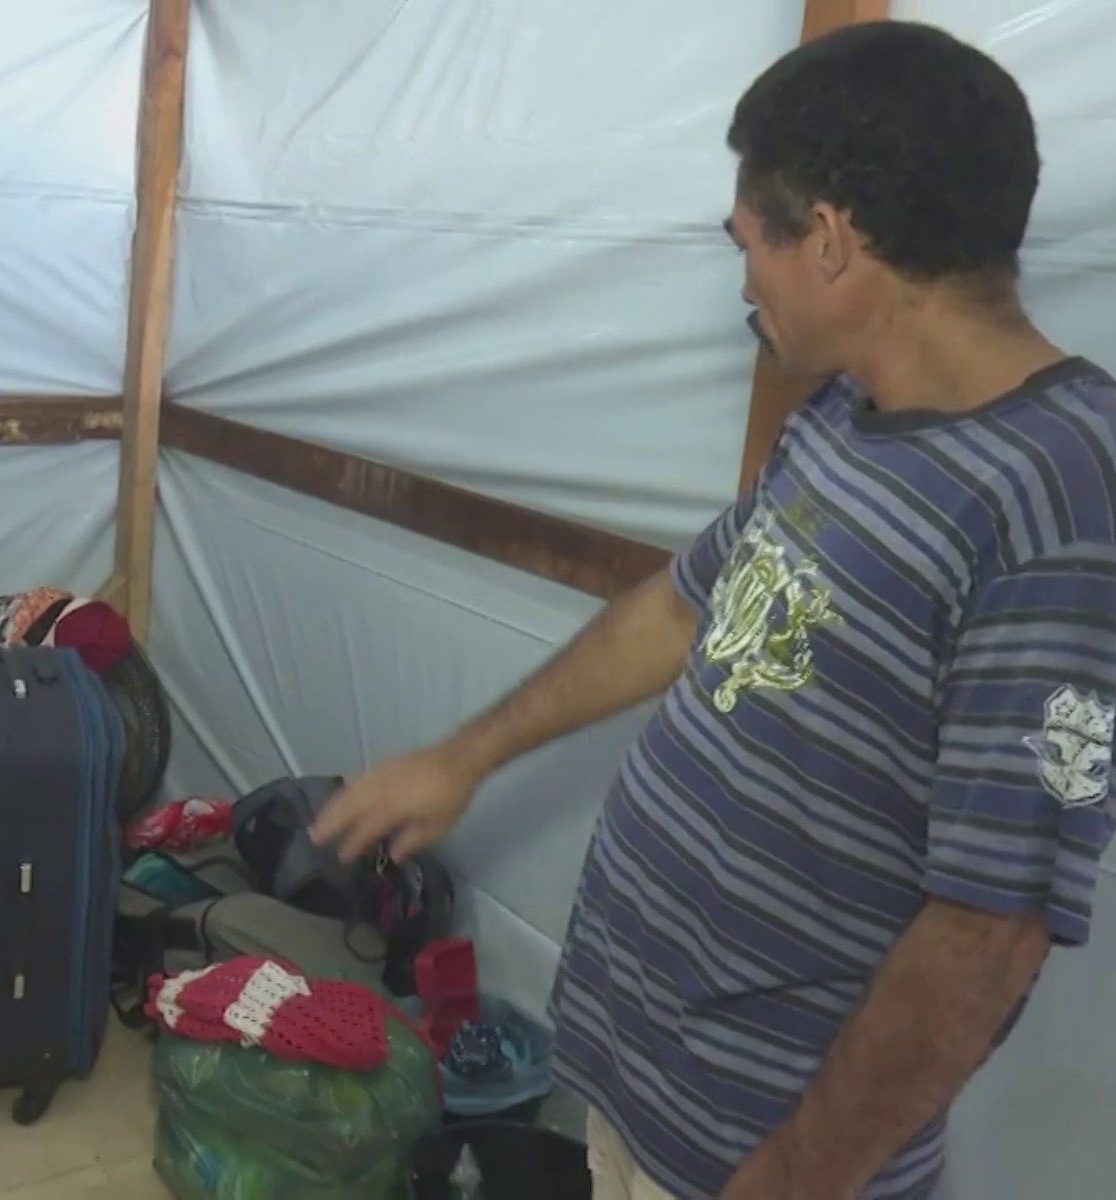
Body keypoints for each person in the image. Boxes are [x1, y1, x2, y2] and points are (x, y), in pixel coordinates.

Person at [311, 19, 1116, 1200]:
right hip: (652, 1085)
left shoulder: (1058, 502)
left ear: (829, 241)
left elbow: (991, 926)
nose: (743, 280)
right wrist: (463, 756)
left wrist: (797, 1174)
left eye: (749, 244)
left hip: (762, 1151)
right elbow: (686, 612)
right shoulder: (847, 412)